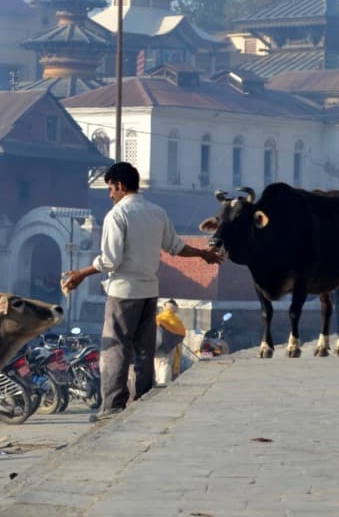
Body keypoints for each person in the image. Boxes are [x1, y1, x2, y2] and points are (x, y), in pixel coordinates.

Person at [61, 162, 220, 422]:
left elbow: (110, 260)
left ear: (120, 186)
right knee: (144, 349)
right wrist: (203, 254)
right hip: (149, 291)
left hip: (123, 292)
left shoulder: (117, 215)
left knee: (115, 348)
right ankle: (142, 400)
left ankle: (112, 406)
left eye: (110, 189)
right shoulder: (157, 212)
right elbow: (176, 247)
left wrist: (81, 273)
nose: (110, 195)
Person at [154, 299, 187, 382]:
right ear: (175, 308)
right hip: (170, 349)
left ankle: (158, 385)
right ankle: (163, 386)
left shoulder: (158, 318)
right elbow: (182, 334)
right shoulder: (177, 321)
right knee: (166, 368)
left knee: (157, 368)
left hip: (157, 348)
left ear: (164, 307)